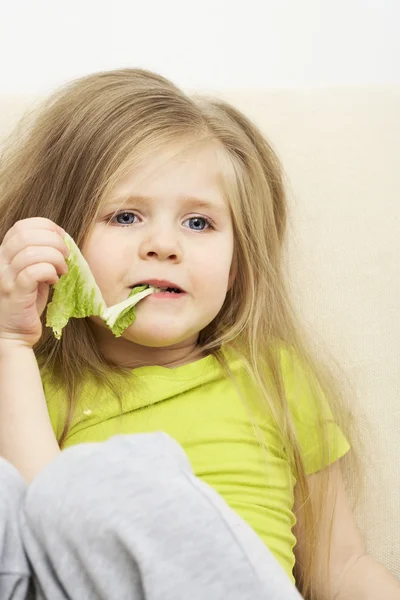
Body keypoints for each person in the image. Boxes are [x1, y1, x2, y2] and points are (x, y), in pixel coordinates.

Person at [0, 68, 398, 600]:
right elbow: (41, 535)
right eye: (125, 216)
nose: (163, 245)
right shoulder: (35, 385)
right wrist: (9, 343)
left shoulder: (270, 375)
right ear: (63, 247)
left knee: (117, 476)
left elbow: (342, 564)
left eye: (198, 224)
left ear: (236, 267)